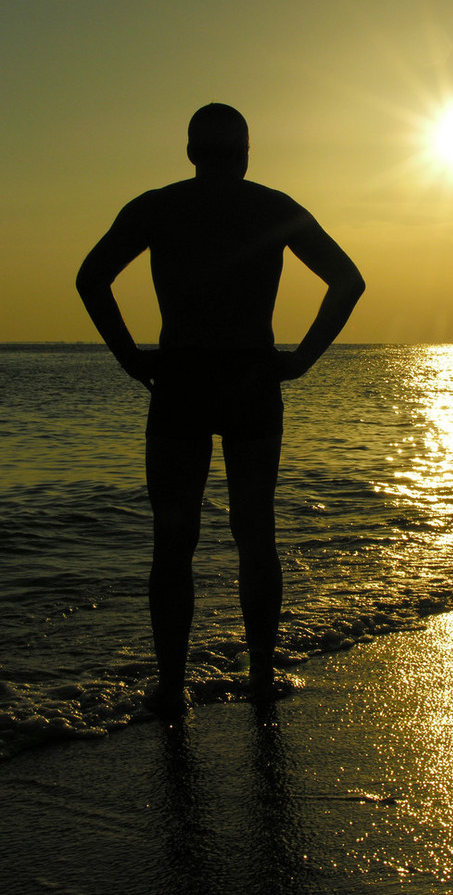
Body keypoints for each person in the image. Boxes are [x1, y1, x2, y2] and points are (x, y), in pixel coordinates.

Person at [76, 103, 365, 713]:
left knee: (173, 538)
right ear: (246, 152)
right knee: (255, 534)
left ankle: (173, 688)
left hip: (181, 377)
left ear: (190, 151)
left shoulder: (156, 206)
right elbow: (347, 280)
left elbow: (91, 278)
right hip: (250, 376)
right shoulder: (272, 206)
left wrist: (131, 357)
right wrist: (302, 358)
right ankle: (260, 678)